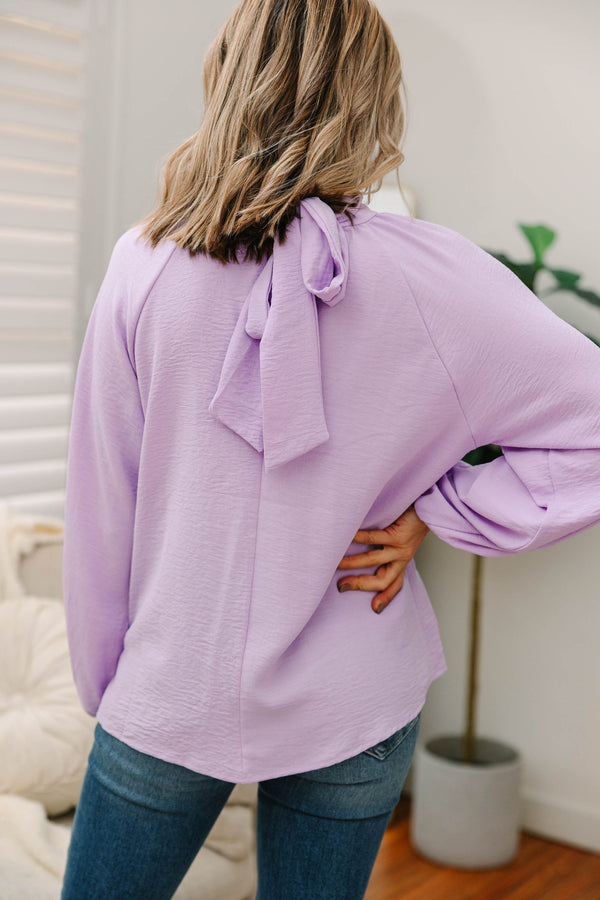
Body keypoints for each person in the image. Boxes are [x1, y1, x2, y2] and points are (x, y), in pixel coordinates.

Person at [60, 1, 600, 897]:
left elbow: (100, 503)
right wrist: (439, 512)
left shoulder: (144, 263)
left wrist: (106, 686)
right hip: (357, 685)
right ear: (373, 98)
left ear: (227, 77)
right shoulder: (434, 276)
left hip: (169, 682)